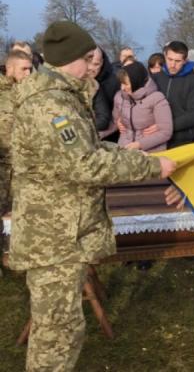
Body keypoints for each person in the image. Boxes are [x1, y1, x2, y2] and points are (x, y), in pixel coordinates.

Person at [8, 21, 176, 372]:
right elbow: (85, 165)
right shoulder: (50, 106)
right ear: (71, 59)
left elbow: (91, 148)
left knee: (60, 329)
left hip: (60, 233)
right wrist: (150, 168)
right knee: (57, 335)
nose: (92, 67)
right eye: (88, 59)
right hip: (52, 238)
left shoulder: (61, 98)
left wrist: (137, 157)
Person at [0, 50, 33, 273]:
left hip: (21, 168)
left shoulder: (27, 93)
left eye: (30, 68)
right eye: (23, 69)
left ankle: (15, 257)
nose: (28, 73)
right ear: (9, 68)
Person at [113, 61, 173, 152]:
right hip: (124, 150)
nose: (122, 88)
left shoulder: (157, 98)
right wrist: (117, 123)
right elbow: (115, 119)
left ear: (136, 81)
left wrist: (139, 144)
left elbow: (166, 132)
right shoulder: (119, 97)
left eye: (126, 84)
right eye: (121, 83)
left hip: (150, 152)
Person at [153, 41, 194, 148]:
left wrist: (165, 126)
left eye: (177, 61)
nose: (173, 65)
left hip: (182, 140)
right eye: (170, 59)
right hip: (156, 139)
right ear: (165, 56)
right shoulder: (155, 78)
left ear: (185, 61)